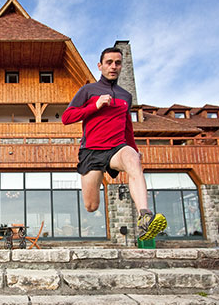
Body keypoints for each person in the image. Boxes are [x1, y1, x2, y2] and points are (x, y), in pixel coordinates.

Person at [62, 46, 167, 242]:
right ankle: (99, 199)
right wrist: (95, 106)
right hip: (91, 151)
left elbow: (128, 128)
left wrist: (134, 150)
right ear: (100, 66)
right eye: (109, 62)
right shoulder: (88, 90)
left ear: (121, 66)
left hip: (117, 148)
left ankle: (145, 216)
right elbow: (66, 118)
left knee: (133, 161)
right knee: (91, 206)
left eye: (118, 63)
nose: (113, 66)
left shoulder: (125, 96)